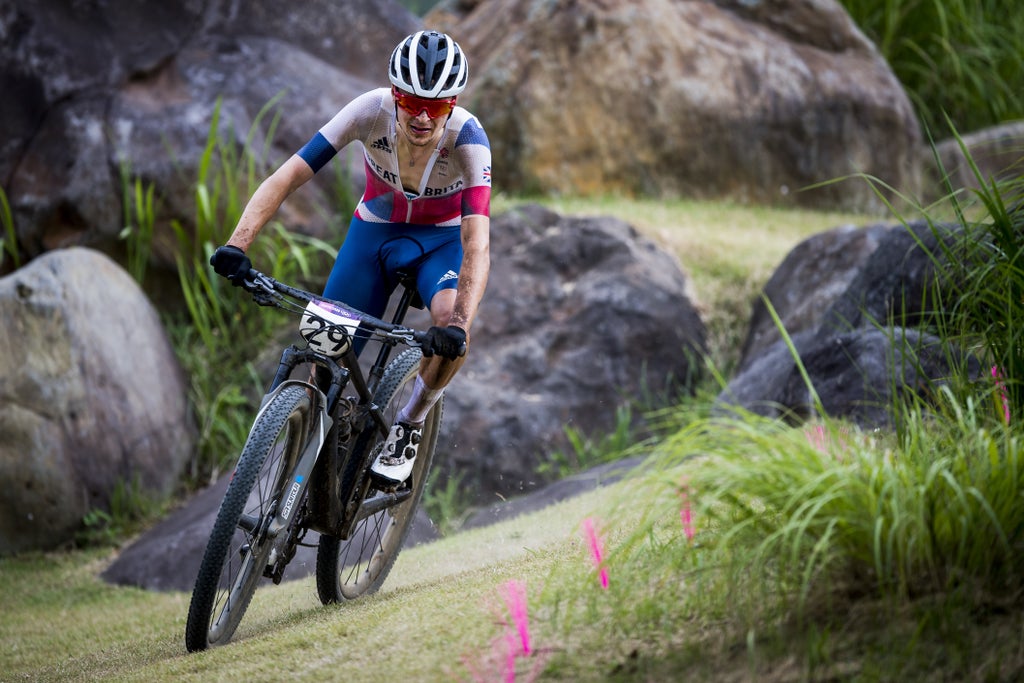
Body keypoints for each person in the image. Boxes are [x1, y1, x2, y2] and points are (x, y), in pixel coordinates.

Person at [209, 30, 491, 485]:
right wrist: (238, 244)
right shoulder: (368, 110)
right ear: (394, 93)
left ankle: (410, 422)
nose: (422, 117)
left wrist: (458, 323)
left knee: (448, 319)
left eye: (437, 106)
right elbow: (288, 176)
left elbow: (476, 242)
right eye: (410, 101)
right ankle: (311, 457)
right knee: (325, 358)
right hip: (374, 232)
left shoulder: (469, 139)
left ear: (453, 103)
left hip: (440, 242)